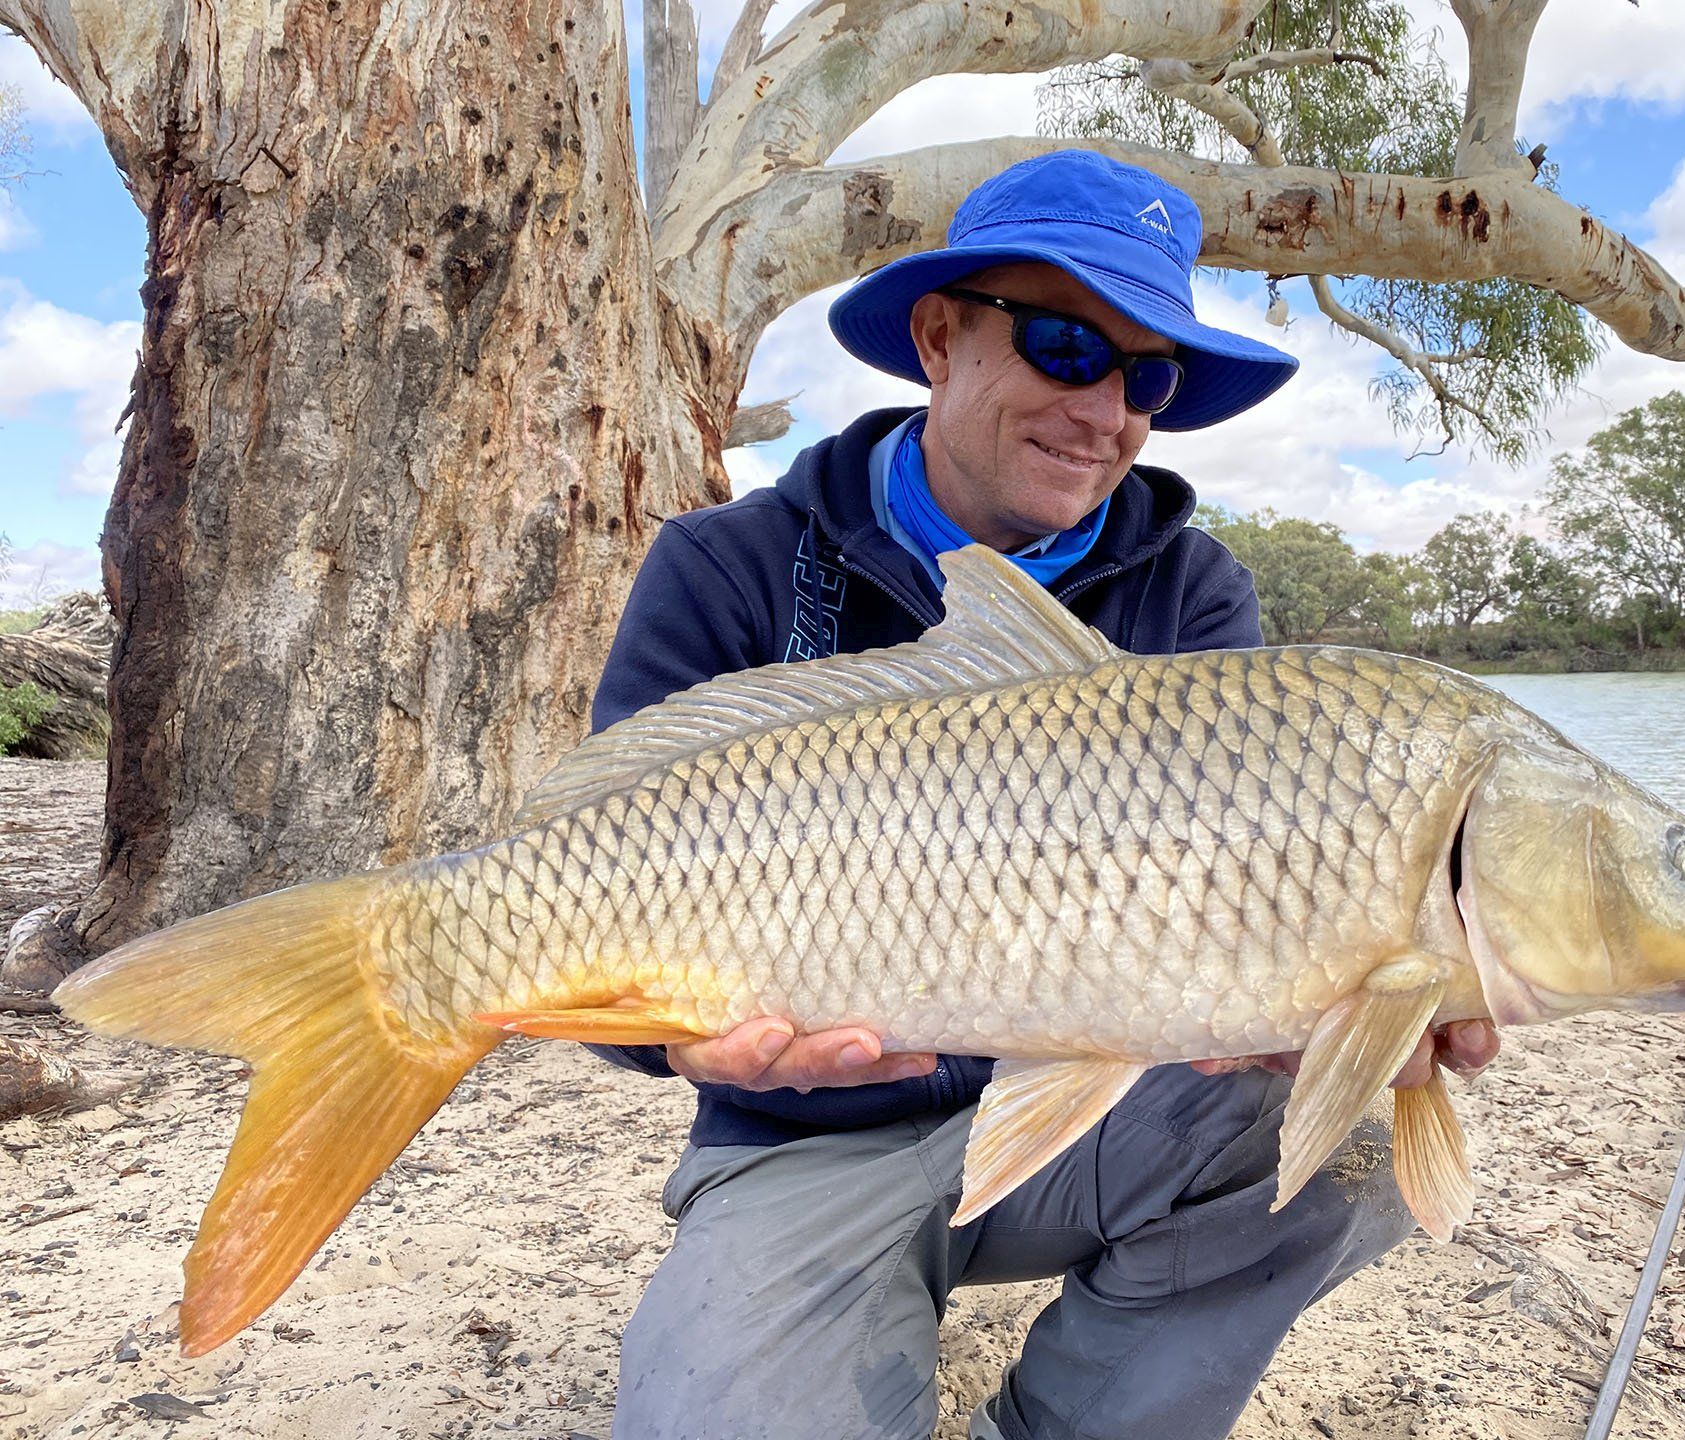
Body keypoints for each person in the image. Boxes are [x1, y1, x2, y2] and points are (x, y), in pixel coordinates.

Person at [590, 150, 1499, 1440]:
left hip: (1096, 1112)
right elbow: (590, 904)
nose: (1108, 413)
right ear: (940, 337)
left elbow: (1223, 921)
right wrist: (666, 1036)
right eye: (1071, 347)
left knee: (1351, 1140)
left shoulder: (1193, 597)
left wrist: (1325, 1002)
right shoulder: (726, 565)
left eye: (1149, 378)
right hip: (806, 1133)